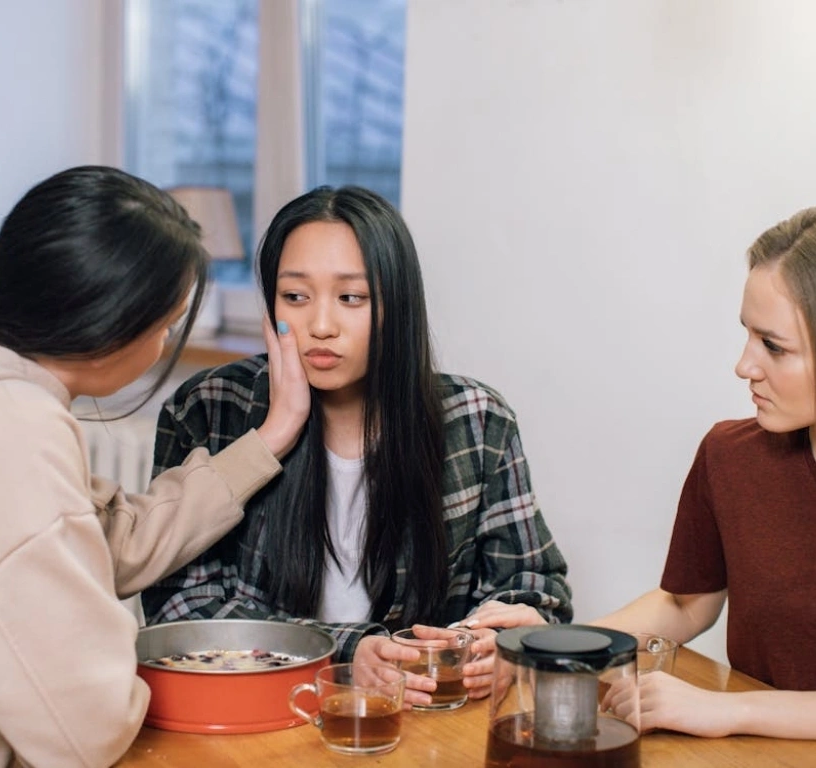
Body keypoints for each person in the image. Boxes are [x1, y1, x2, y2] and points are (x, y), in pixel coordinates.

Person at [0, 165, 310, 767]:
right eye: (167, 326)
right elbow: (89, 727)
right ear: (112, 330)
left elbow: (102, 538)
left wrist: (271, 437)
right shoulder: (7, 434)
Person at [141, 184, 573, 706]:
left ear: (398, 305)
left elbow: (534, 585)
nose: (320, 326)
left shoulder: (477, 420)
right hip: (263, 717)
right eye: (295, 297)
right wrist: (351, 652)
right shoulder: (209, 409)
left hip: (422, 722)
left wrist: (495, 639)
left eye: (352, 298)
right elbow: (181, 607)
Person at [584, 199, 816, 741]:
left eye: (774, 346)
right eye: (749, 334)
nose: (744, 365)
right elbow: (685, 605)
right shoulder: (731, 455)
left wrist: (732, 711)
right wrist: (554, 645)